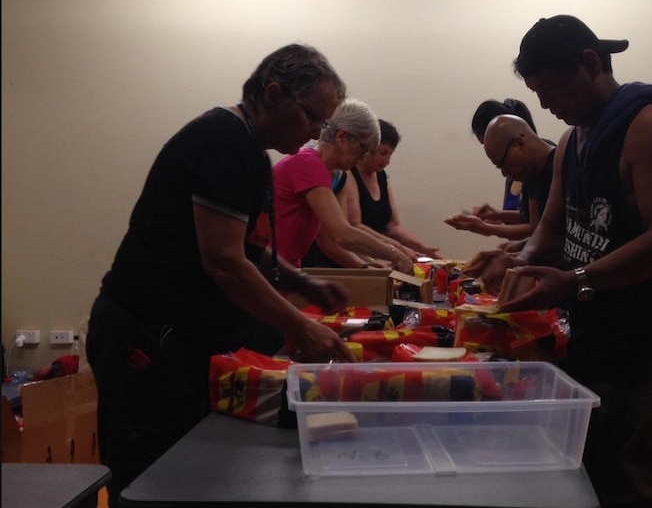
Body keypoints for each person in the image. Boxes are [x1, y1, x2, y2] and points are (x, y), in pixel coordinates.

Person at [87, 44, 357, 508]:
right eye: (314, 118)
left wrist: (301, 283)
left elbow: (250, 250)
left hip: (176, 339)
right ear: (274, 94)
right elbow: (224, 263)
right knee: (151, 482)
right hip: (145, 339)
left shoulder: (250, 151)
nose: (317, 132)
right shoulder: (222, 143)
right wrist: (300, 325)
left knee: (195, 477)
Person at [465, 15, 652, 508]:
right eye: (537, 92)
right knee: (593, 475)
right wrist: (515, 267)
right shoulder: (573, 144)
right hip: (597, 340)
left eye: (552, 88)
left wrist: (574, 281)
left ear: (591, 64)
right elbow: (551, 231)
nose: (545, 104)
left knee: (644, 483)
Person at [268, 99, 415, 274]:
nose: (362, 158)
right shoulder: (308, 164)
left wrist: (365, 267)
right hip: (269, 266)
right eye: (363, 149)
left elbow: (327, 240)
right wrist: (396, 255)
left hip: (287, 268)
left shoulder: (337, 176)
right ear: (342, 138)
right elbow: (343, 233)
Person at [306, 119, 440, 267]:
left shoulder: (381, 176)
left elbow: (393, 225)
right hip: (338, 261)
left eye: (390, 154)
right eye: (382, 153)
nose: (387, 161)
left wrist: (421, 249)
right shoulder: (345, 173)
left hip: (366, 258)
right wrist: (394, 252)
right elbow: (349, 229)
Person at [444, 114, 555, 253]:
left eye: (503, 164)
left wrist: (486, 228)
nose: (504, 173)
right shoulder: (532, 173)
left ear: (519, 143)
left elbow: (540, 231)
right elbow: (538, 225)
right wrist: (498, 216)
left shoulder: (557, 166)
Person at [469, 98, 537, 226]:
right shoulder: (512, 171)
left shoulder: (537, 168)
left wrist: (487, 228)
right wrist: (497, 216)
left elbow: (537, 227)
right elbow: (525, 217)